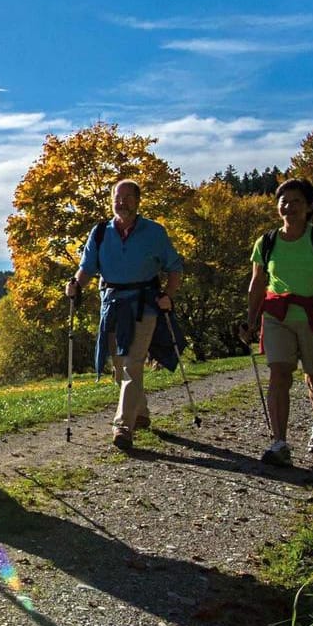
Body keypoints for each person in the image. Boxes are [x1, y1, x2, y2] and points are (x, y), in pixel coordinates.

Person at [65, 179, 184, 453]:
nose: (122, 203)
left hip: (145, 304)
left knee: (132, 363)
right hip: (112, 304)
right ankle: (140, 412)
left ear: (138, 201)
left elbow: (174, 267)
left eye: (128, 198)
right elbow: (87, 268)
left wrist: (169, 294)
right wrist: (74, 284)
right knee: (119, 366)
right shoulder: (99, 233)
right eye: (118, 198)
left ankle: (123, 426)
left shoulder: (154, 232)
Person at [244, 178, 313, 467]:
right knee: (279, 374)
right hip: (278, 316)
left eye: (296, 202)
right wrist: (250, 320)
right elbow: (257, 284)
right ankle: (279, 442)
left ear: (309, 207)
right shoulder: (265, 243)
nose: (288, 206)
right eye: (284, 201)